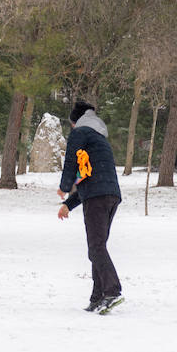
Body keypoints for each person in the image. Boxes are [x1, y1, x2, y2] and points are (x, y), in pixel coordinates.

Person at [57, 100, 124, 314]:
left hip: (97, 198)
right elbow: (88, 176)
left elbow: (70, 161)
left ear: (75, 122)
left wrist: (64, 187)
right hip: (111, 196)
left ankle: (112, 290)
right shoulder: (99, 139)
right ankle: (98, 296)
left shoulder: (80, 133)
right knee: (98, 247)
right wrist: (69, 204)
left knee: (96, 248)